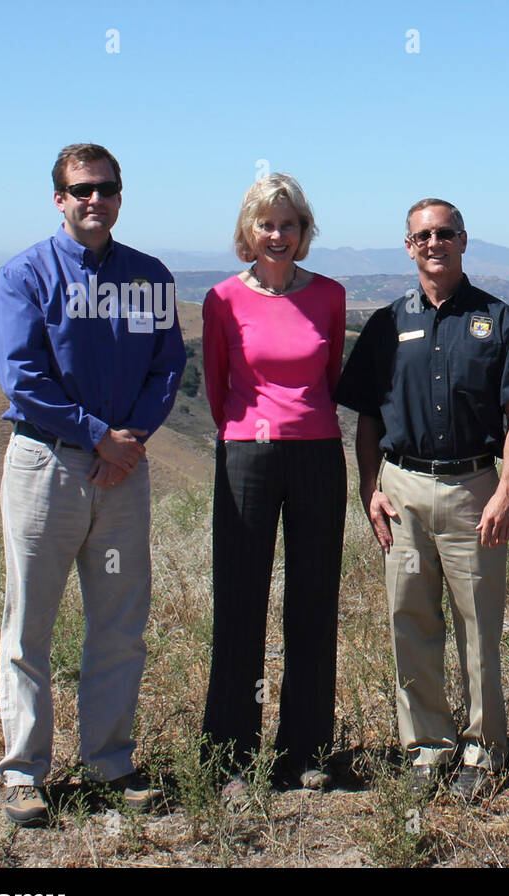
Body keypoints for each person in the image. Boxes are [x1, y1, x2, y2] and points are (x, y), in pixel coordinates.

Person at [0, 143, 186, 825]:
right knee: (28, 624)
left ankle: (110, 762)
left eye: (104, 188)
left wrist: (127, 443)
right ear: (59, 199)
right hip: (48, 466)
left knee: (121, 622)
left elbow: (167, 366)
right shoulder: (26, 276)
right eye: (79, 190)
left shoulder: (149, 275)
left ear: (120, 196)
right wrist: (98, 433)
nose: (92, 200)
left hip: (123, 472)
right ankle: (23, 772)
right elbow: (20, 376)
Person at [335, 199, 509, 802]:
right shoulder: (384, 322)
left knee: (479, 625)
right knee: (410, 621)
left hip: (473, 488)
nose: (434, 243)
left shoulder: (502, 321)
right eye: (422, 235)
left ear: (463, 240)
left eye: (444, 233)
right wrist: (369, 488)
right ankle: (428, 746)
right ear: (408, 246)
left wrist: (508, 490)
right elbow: (368, 419)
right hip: (400, 488)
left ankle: (485, 749)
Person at [200, 174, 347, 793]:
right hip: (247, 457)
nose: (278, 234)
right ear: (248, 232)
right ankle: (229, 755)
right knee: (240, 602)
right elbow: (216, 383)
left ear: (304, 230)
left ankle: (305, 751)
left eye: (288, 224)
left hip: (317, 452)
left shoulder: (332, 296)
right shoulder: (222, 299)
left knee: (313, 603)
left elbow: (331, 372)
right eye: (266, 224)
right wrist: (249, 433)